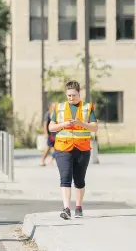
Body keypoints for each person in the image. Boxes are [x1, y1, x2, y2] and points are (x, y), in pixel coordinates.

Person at [49, 80, 98, 220]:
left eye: (74, 95)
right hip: (63, 148)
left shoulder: (87, 107)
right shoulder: (59, 107)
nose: (71, 98)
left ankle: (78, 206)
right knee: (65, 178)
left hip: (82, 149)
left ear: (79, 93)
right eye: (69, 95)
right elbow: (51, 127)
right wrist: (64, 124)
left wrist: (81, 123)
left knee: (79, 179)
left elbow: (94, 127)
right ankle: (66, 208)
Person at [40, 102, 58, 166]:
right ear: (51, 107)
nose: (55, 108)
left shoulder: (59, 114)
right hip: (51, 135)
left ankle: (51, 160)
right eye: (53, 106)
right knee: (48, 148)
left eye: (56, 106)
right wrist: (46, 133)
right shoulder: (48, 114)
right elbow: (45, 124)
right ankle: (42, 161)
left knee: (58, 149)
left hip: (58, 135)